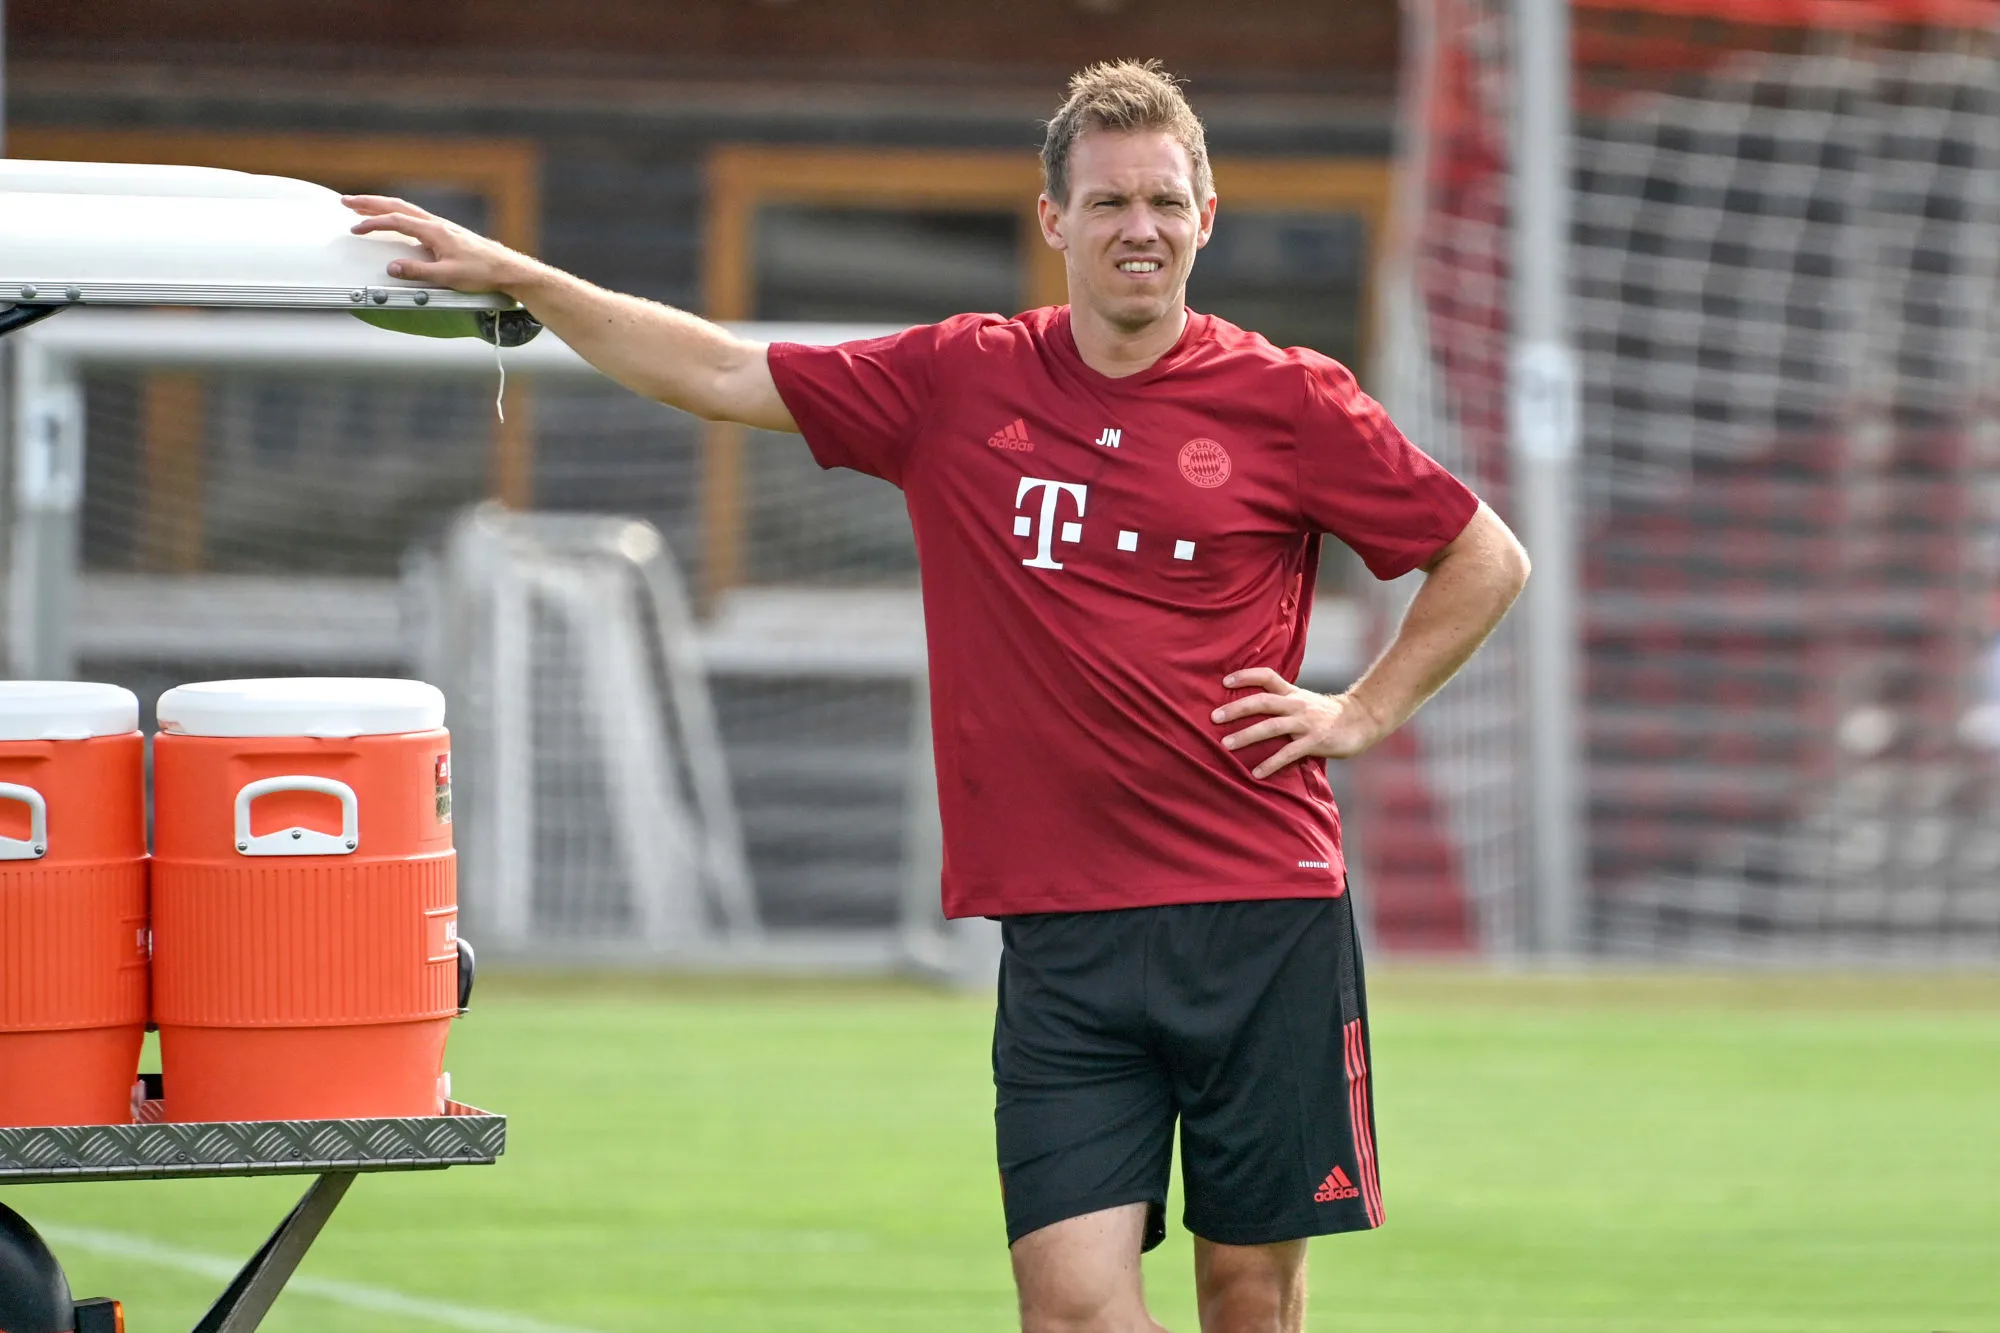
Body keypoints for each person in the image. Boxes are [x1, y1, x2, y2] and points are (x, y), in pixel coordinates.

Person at [348, 58, 1527, 1333]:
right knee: (1069, 1308)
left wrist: (1360, 709)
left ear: (1204, 215)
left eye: (1165, 203)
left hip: (1258, 914)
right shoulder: (961, 381)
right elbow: (720, 372)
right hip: (1061, 937)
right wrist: (528, 280)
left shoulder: (1288, 399)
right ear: (1053, 220)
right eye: (1111, 202)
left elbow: (1482, 554)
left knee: (1249, 1295)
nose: (1140, 228)